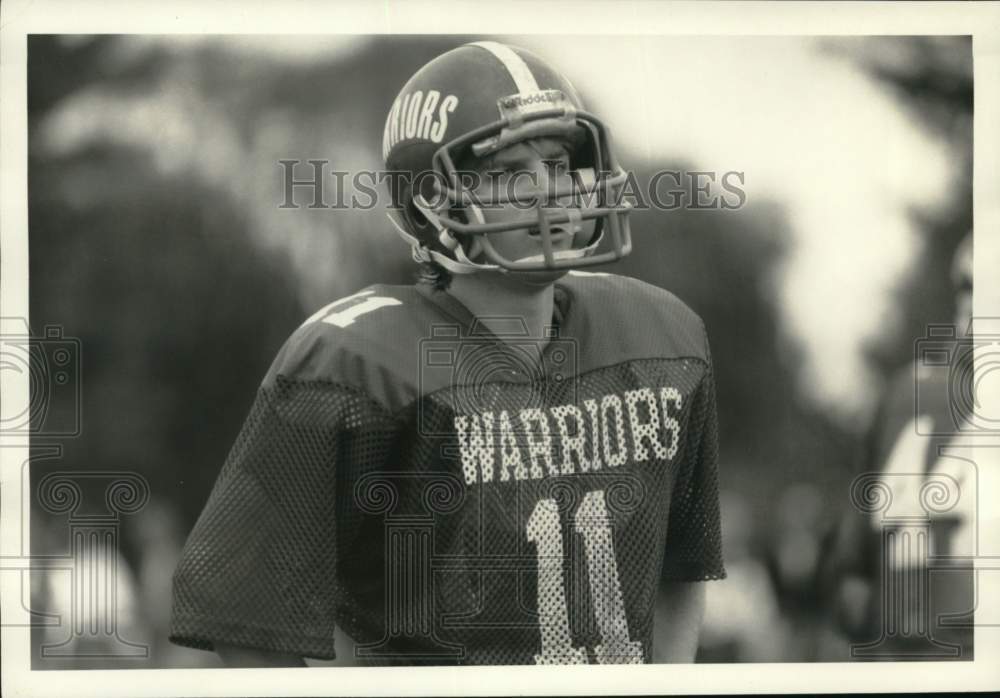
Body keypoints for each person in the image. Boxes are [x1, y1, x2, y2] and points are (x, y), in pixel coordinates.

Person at [169, 41, 725, 667]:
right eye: (509, 169)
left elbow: (682, 571)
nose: (551, 191)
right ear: (434, 200)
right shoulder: (356, 365)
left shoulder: (659, 337)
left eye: (560, 161)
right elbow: (249, 621)